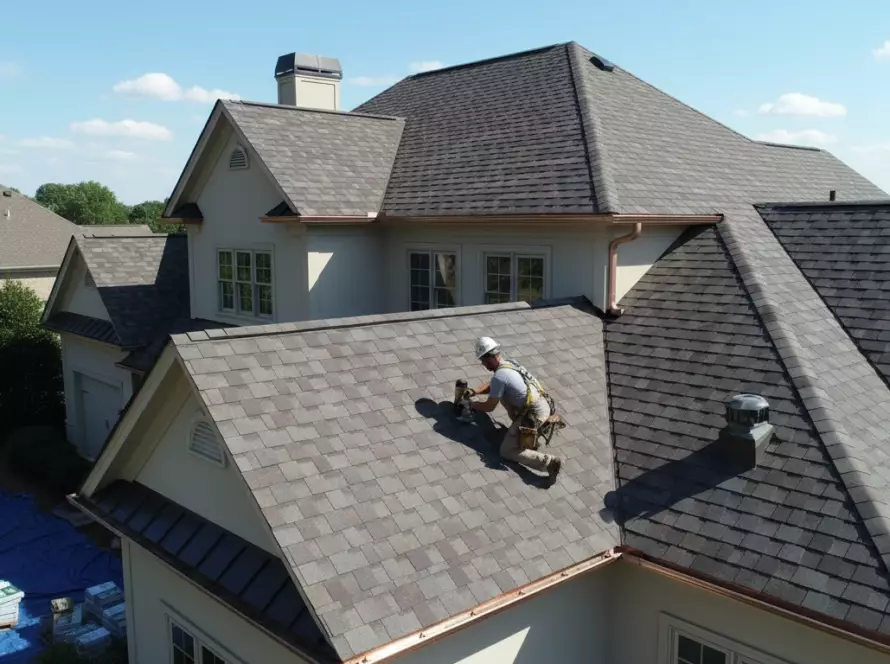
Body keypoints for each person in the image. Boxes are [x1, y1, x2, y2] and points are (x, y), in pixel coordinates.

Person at [468, 337, 562, 479]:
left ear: (490, 357)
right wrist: (475, 391)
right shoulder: (510, 364)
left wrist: (470, 404)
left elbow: (489, 406)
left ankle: (548, 462)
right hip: (543, 404)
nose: (482, 363)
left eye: (483, 360)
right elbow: (496, 385)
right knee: (503, 395)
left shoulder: (500, 376)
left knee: (507, 451)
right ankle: (524, 432)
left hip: (534, 414)